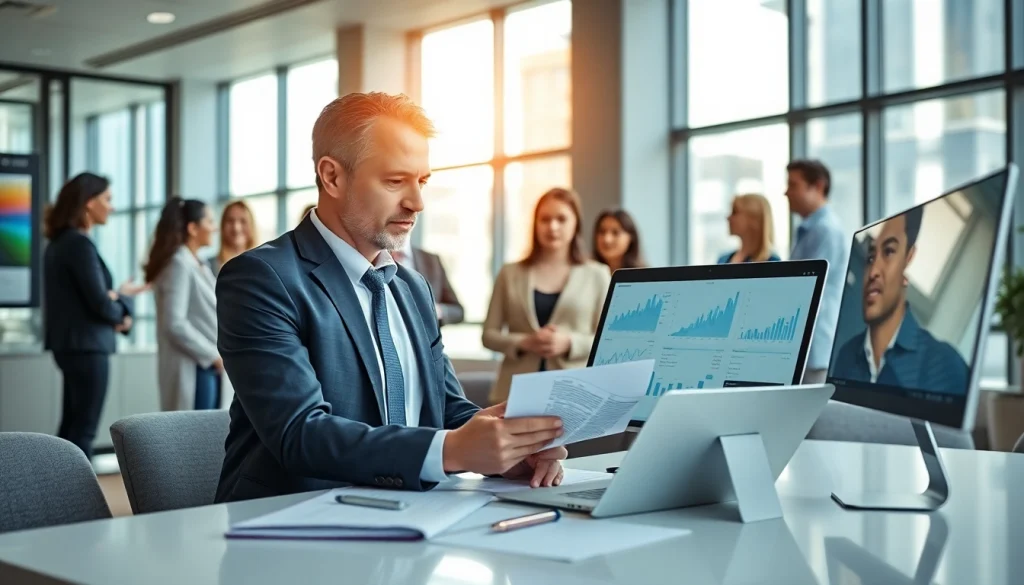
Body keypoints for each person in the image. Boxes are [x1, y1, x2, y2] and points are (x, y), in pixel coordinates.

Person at [214, 92, 567, 503]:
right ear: (332, 177)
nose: (417, 203)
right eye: (395, 181)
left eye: (422, 182)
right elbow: (300, 433)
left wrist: (508, 447)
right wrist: (452, 450)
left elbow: (447, 410)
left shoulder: (411, 287)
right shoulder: (262, 278)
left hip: (409, 517)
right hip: (289, 526)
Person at [482, 188, 611, 405]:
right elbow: (488, 335)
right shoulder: (510, 273)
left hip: (574, 392)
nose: (552, 227)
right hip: (514, 391)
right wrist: (525, 342)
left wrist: (569, 342)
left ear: (576, 223)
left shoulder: (597, 274)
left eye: (561, 219)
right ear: (535, 224)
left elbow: (608, 340)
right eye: (545, 219)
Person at [42, 172, 138, 458]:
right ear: (88, 202)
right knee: (83, 429)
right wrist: (123, 303)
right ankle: (75, 499)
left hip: (71, 346)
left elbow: (93, 299)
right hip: (87, 347)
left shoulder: (59, 243)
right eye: (107, 199)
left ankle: (53, 493)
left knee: (71, 426)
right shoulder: (79, 244)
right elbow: (100, 302)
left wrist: (113, 297)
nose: (112, 206)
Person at [829, 208, 969, 393]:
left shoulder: (944, 365)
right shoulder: (846, 355)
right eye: (870, 258)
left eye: (888, 251)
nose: (873, 272)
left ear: (908, 259)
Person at [145, 197, 223, 411]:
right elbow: (174, 323)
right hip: (194, 366)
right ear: (193, 228)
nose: (214, 228)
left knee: (206, 434)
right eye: (209, 222)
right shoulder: (178, 264)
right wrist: (213, 355)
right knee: (195, 438)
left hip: (206, 365)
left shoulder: (198, 264)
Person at [786, 159, 849, 384]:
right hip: (804, 346)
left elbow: (808, 292)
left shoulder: (826, 230)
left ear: (818, 187)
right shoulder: (808, 230)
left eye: (793, 185)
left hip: (814, 348)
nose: (786, 192)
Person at [392, 239, 464, 326]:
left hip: (425, 336)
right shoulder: (374, 259)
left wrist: (436, 311)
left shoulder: (432, 261)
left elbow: (458, 311)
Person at [717, 194, 781, 264]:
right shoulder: (722, 260)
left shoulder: (773, 263)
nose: (728, 218)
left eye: (735, 212)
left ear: (754, 220)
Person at [207, 200, 256, 276]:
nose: (236, 228)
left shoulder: (265, 266)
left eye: (243, 221)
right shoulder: (207, 267)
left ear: (252, 226)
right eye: (230, 221)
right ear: (222, 226)